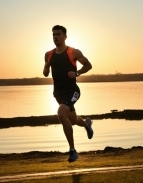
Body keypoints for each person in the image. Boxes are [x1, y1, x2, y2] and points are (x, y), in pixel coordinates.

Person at [43, 25, 93, 162]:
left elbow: (88, 65)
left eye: (58, 34)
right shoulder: (49, 54)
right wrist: (46, 71)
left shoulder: (73, 52)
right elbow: (45, 68)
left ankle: (72, 151)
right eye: (53, 35)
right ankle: (87, 124)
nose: (55, 37)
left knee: (61, 113)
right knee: (73, 120)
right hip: (58, 93)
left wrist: (77, 73)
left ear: (65, 36)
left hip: (72, 91)